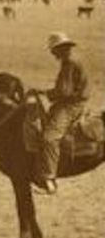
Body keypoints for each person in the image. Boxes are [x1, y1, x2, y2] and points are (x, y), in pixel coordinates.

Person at [35, 32, 89, 194]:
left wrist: (46, 93)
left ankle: (50, 180)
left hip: (71, 105)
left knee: (49, 137)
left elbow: (64, 91)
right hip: (73, 101)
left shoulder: (69, 63)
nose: (52, 54)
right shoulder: (73, 59)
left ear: (60, 49)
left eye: (53, 50)